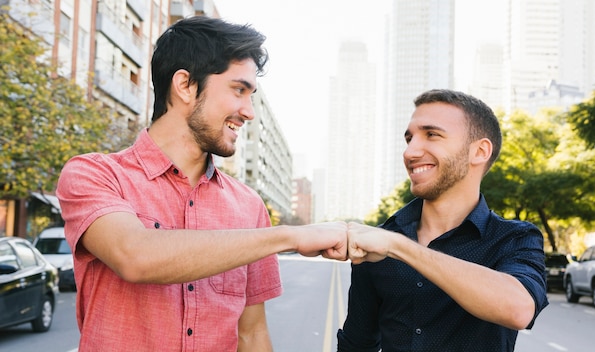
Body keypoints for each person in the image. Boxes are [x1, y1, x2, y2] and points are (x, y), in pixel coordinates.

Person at [56, 16, 347, 352]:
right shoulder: (94, 174)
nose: (248, 112)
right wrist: (291, 236)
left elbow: (251, 334)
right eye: (239, 90)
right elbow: (134, 255)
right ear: (185, 86)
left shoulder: (249, 206)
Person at [338, 89, 548, 351]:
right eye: (409, 139)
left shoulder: (514, 239)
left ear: (480, 151)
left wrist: (400, 248)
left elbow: (519, 310)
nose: (410, 152)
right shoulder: (379, 243)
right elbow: (357, 344)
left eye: (432, 135)